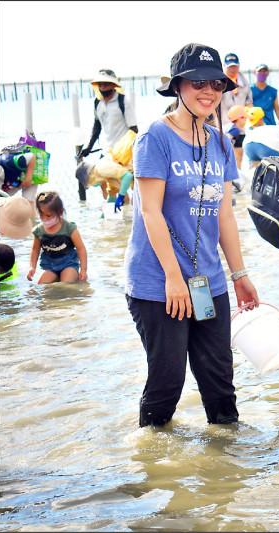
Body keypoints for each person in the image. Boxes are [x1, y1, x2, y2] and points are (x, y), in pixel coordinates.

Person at [125, 43, 260, 428]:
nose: (209, 92)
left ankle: (226, 471)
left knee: (220, 382)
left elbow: (224, 213)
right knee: (168, 381)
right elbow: (149, 211)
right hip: (158, 282)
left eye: (216, 84)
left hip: (208, 280)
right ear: (178, 87)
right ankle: (153, 462)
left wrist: (239, 275)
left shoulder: (219, 141)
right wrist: (172, 276)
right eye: (198, 82)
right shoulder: (155, 138)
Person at [27, 191, 87, 284]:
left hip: (68, 263)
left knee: (65, 284)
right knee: (42, 284)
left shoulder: (69, 227)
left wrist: (83, 270)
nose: (45, 219)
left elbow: (81, 249)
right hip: (49, 265)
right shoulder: (39, 230)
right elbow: (35, 250)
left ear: (60, 213)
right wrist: (32, 267)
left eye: (48, 216)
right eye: (41, 214)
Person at [79, 69, 138, 161]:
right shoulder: (98, 103)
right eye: (100, 84)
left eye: (106, 84)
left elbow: (134, 129)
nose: (102, 88)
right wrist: (88, 147)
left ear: (114, 85)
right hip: (105, 152)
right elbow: (97, 126)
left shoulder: (123, 101)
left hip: (123, 154)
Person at [219, 53, 253, 130]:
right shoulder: (218, 83)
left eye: (234, 66)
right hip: (224, 127)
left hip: (242, 128)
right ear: (224, 66)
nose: (232, 69)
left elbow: (249, 103)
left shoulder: (245, 83)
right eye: (230, 67)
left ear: (239, 66)